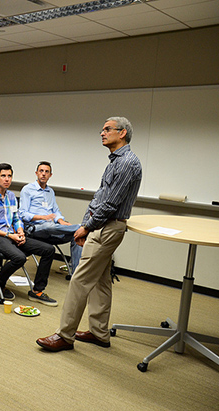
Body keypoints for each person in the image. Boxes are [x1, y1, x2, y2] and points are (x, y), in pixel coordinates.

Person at [36, 117, 142, 352]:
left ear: (122, 133)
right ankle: (99, 333)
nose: (102, 132)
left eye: (107, 129)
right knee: (101, 281)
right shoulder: (115, 161)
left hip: (108, 226)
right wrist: (87, 224)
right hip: (102, 225)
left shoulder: (127, 163)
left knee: (80, 279)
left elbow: (110, 203)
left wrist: (87, 226)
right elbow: (100, 197)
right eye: (103, 129)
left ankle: (64, 335)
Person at [0, 163, 57, 305]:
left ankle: (37, 291)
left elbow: (16, 218)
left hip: (12, 235)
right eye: (3, 176)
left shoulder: (11, 196)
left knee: (49, 250)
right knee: (19, 257)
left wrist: (20, 231)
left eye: (9, 176)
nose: (7, 179)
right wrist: (9, 236)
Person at [19, 161, 82, 272]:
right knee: (48, 225)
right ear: (36, 173)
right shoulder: (27, 189)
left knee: (76, 235)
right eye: (41, 171)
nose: (43, 174)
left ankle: (75, 274)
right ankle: (81, 226)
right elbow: (23, 214)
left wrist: (61, 221)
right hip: (34, 228)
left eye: (46, 172)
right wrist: (42, 217)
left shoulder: (50, 191)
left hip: (52, 227)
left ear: (50, 175)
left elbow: (56, 210)